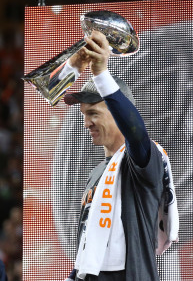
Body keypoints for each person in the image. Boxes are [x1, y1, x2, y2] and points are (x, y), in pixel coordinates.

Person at [63, 30, 166, 281]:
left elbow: (136, 133)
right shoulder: (97, 173)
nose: (86, 122)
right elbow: (89, 239)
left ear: (117, 113)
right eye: (84, 114)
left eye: (94, 113)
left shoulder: (145, 159)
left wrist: (101, 74)